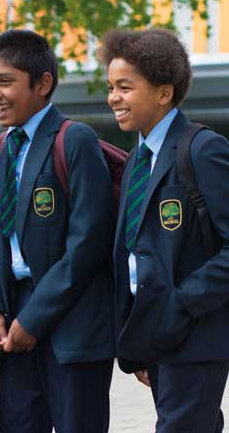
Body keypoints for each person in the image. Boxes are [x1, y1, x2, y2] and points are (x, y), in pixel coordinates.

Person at [0, 29, 115, 433]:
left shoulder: (74, 140)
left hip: (72, 327)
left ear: (43, 84)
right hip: (16, 322)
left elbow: (87, 245)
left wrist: (34, 320)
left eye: (5, 81)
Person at [101, 28, 229, 433]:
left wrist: (181, 302)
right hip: (156, 332)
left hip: (194, 333)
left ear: (163, 92)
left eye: (125, 87)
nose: (113, 98)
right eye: (110, 87)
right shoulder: (141, 156)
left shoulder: (202, 148)